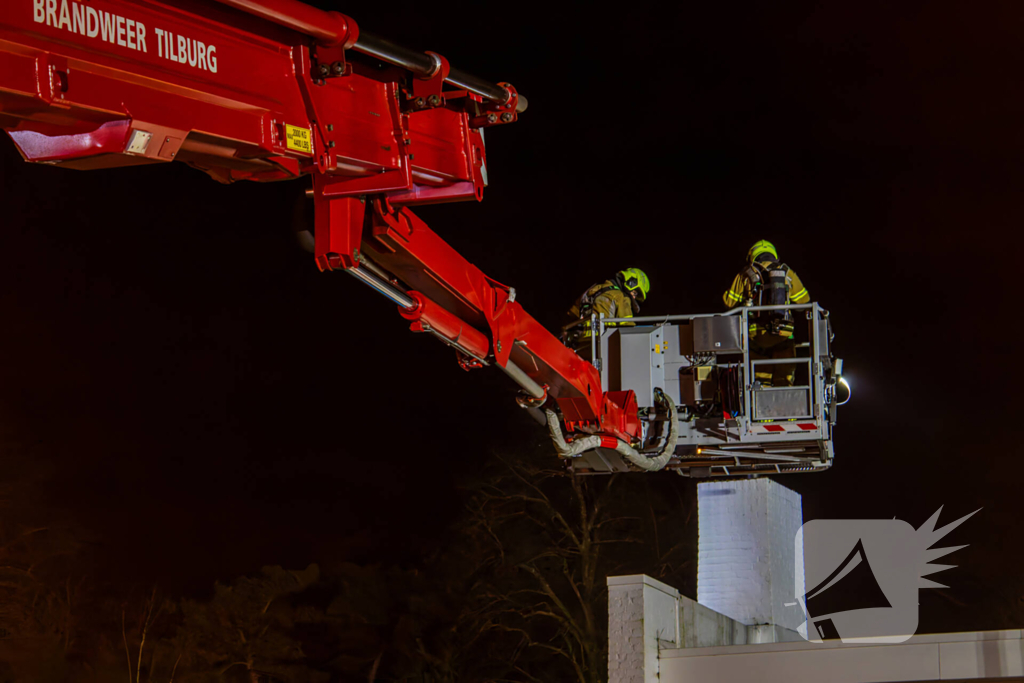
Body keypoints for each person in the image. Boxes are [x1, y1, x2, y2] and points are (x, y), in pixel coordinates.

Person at [723, 240, 810, 386]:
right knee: (784, 381)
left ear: (752, 256)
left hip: (757, 337)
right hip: (784, 335)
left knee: (760, 384)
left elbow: (728, 302)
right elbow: (804, 301)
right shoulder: (787, 272)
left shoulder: (746, 274)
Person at [564, 268, 650, 352]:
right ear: (631, 283)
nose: (634, 297)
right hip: (603, 345)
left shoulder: (593, 290)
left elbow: (571, 315)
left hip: (580, 345)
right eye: (635, 293)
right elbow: (628, 329)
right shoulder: (621, 297)